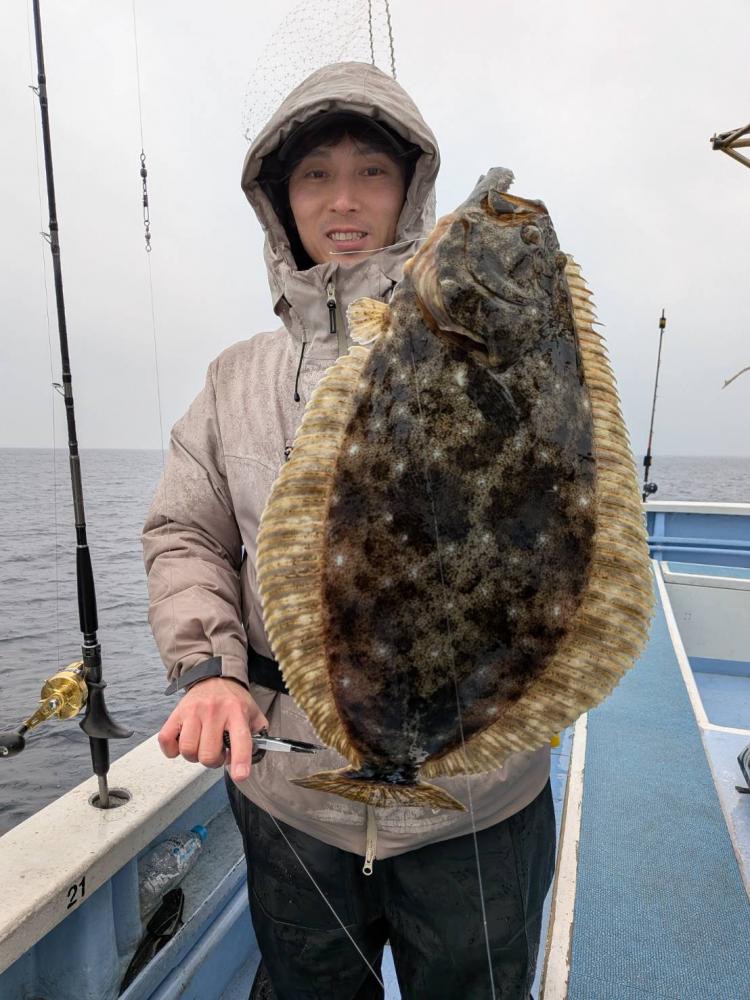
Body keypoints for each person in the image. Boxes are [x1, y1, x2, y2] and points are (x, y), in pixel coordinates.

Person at [143, 62, 556, 1000]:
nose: (343, 200)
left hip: (475, 796)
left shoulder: (487, 346)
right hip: (293, 798)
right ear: (279, 201)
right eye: (315, 175)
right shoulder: (235, 380)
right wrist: (209, 669)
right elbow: (184, 533)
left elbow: (557, 514)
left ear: (411, 192)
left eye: (372, 171)